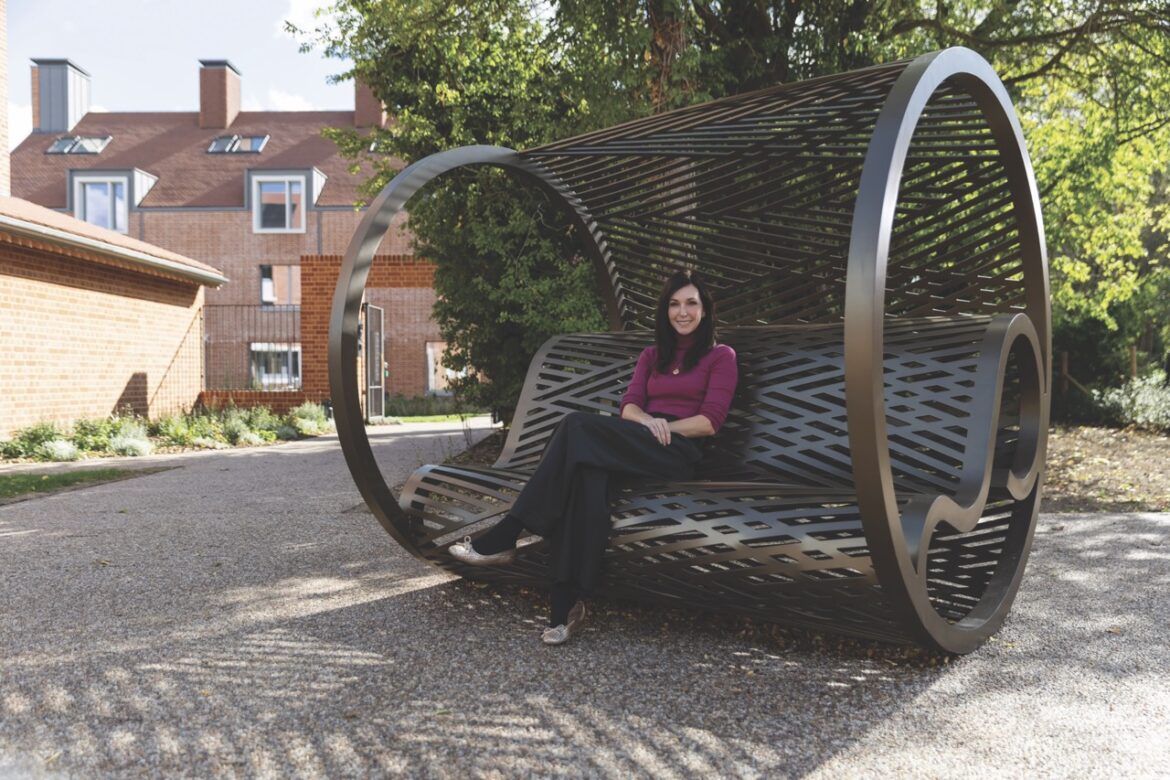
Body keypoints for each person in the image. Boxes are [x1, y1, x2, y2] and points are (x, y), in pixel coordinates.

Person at [449, 268, 738, 645]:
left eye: (691, 303)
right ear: (665, 310)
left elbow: (709, 422)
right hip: (639, 439)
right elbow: (630, 407)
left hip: (677, 452)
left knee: (576, 427)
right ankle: (566, 608)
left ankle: (508, 531)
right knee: (586, 476)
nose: (682, 312)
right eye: (674, 304)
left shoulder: (721, 356)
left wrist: (665, 428)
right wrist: (648, 422)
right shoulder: (653, 356)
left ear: (705, 310)